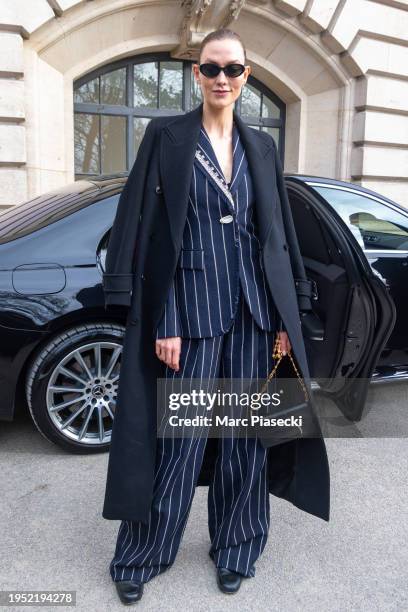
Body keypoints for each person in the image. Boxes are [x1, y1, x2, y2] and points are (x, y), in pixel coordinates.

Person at [104, 27, 330, 606]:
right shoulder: (167, 136)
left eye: (233, 69)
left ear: (247, 77)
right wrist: (166, 319)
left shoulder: (262, 146)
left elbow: (274, 235)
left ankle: (237, 548)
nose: (222, 79)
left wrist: (288, 313)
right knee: (178, 440)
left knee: (244, 441)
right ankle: (144, 554)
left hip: (255, 316)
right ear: (196, 75)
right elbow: (152, 233)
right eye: (211, 69)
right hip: (191, 319)